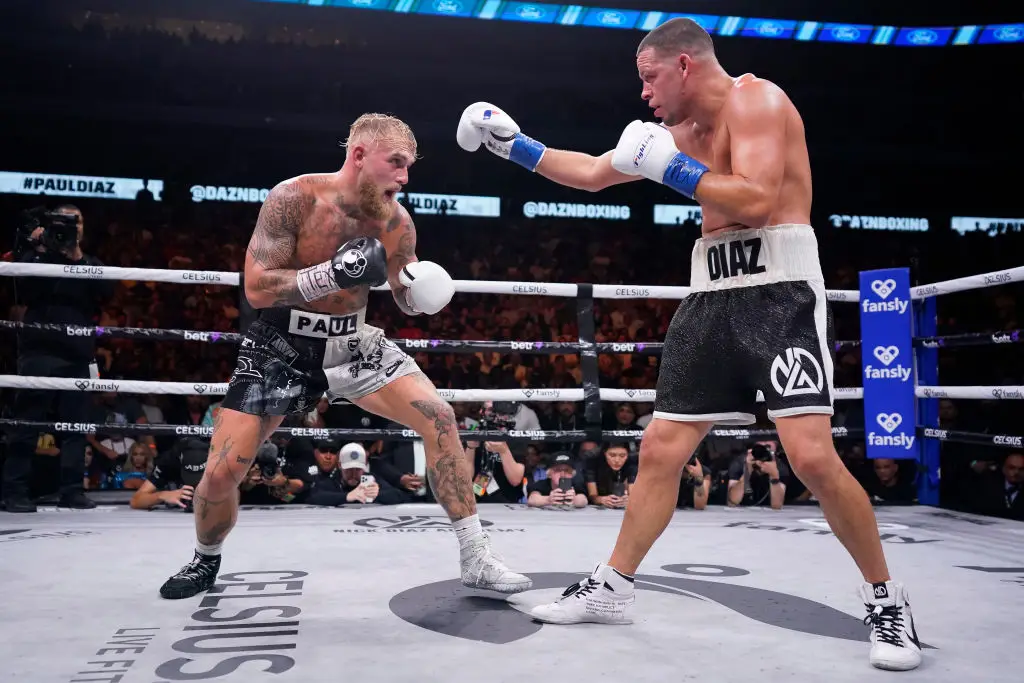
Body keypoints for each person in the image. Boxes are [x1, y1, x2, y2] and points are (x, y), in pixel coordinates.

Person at [457, 18, 920, 671]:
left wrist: (670, 168)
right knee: (660, 447)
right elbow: (593, 173)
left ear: (683, 65)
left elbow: (757, 200)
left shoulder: (758, 102)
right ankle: (613, 585)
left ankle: (886, 598)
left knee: (812, 457)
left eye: (649, 77)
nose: (644, 94)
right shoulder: (679, 135)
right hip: (710, 295)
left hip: (781, 293)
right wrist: (514, 147)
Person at [159, 113, 530, 600]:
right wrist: (332, 274)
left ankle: (477, 556)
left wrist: (419, 292)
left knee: (439, 416)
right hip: (281, 343)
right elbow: (256, 289)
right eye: (395, 163)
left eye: (409, 166)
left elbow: (401, 288)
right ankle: (206, 559)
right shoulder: (293, 198)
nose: (404, 176)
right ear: (359, 156)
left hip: (354, 342)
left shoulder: (396, 220)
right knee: (222, 471)